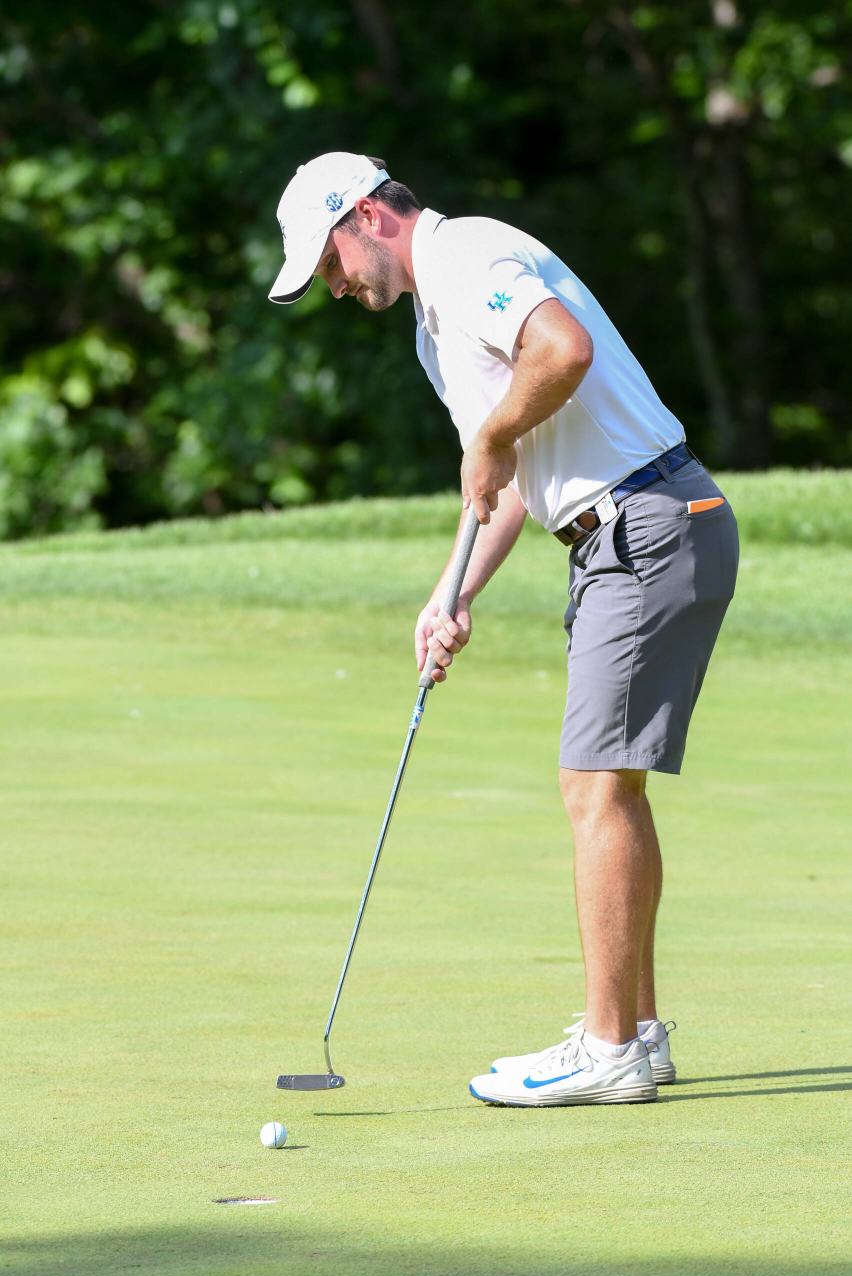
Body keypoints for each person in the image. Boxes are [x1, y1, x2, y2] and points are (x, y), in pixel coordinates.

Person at [269, 152, 738, 1107]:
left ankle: (608, 1051)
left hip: (645, 522)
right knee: (610, 788)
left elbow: (561, 352)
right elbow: (509, 478)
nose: (334, 286)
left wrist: (486, 440)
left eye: (328, 262)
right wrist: (455, 595)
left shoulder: (469, 257)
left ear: (364, 216)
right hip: (624, 531)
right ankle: (635, 1036)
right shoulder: (434, 331)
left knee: (594, 790)